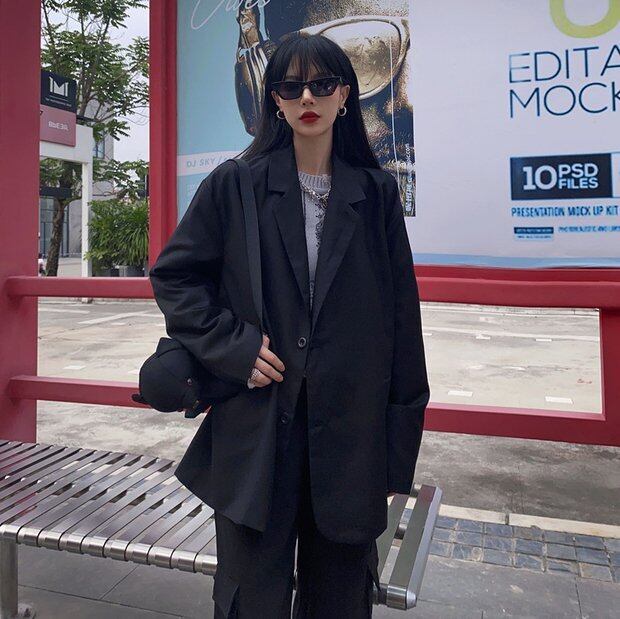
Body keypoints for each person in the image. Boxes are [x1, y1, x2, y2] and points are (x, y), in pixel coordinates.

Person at [149, 33, 429, 618]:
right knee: (252, 600)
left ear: (345, 95)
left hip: (350, 440)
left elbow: (403, 324)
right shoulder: (235, 184)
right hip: (258, 436)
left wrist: (396, 455)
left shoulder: (376, 193)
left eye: (321, 84)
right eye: (290, 85)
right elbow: (176, 276)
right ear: (274, 99)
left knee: (341, 600)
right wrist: (234, 347)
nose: (307, 97)